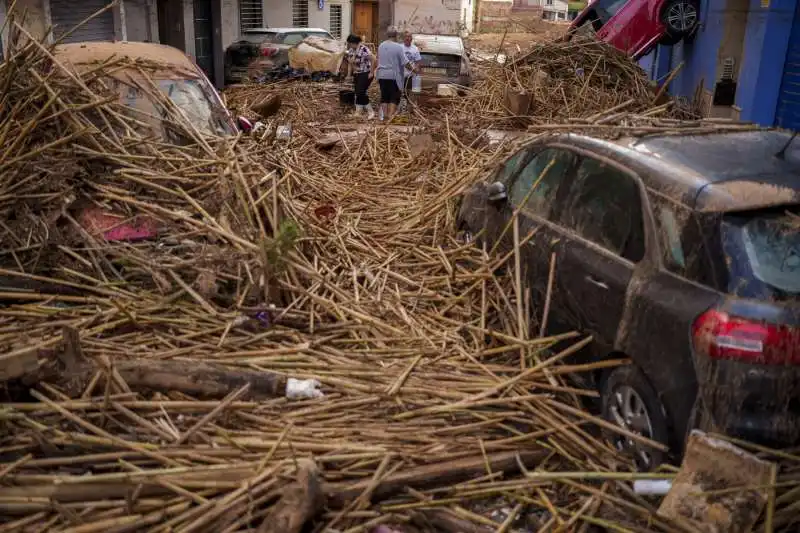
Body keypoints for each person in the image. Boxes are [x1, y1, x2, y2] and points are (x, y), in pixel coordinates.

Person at [372, 27, 414, 122]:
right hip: (394, 76)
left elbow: (377, 59)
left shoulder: (381, 45)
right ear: (396, 35)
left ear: (387, 35)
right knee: (394, 97)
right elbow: (405, 62)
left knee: (384, 96)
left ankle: (385, 116)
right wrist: (413, 70)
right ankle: (390, 116)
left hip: (382, 75)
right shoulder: (398, 47)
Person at [345, 34, 375, 119]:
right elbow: (350, 63)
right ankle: (358, 112)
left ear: (354, 43)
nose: (349, 45)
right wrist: (348, 75)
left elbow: (373, 59)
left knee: (360, 92)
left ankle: (371, 111)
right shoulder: (351, 50)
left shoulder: (363, 49)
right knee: (358, 92)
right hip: (357, 73)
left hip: (366, 73)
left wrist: (371, 72)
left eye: (350, 43)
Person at [401, 30, 421, 110]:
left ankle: (409, 107)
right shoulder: (399, 47)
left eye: (409, 37)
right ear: (403, 38)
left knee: (410, 91)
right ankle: (403, 107)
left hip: (411, 75)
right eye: (406, 36)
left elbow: (418, 61)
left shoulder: (415, 49)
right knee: (402, 91)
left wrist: (416, 68)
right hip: (401, 74)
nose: (408, 38)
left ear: (411, 39)